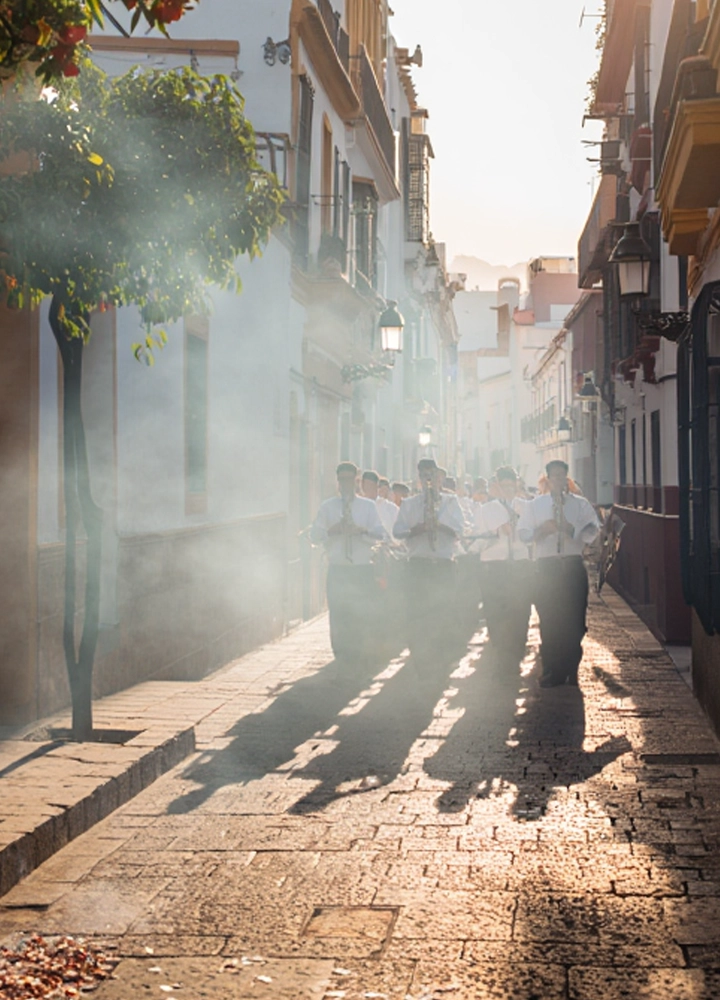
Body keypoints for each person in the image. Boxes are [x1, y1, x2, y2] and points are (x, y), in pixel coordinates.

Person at [517, 459, 600, 687]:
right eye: (554, 476)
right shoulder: (535, 505)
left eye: (562, 476)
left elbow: (593, 530)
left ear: (567, 478)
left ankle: (571, 669)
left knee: (574, 621)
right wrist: (541, 531)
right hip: (547, 568)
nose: (558, 481)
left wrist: (571, 529)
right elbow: (522, 533)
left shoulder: (580, 505)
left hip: (572, 566)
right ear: (547, 479)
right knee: (550, 619)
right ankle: (552, 669)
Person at [310, 462, 385, 660]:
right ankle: (341, 657)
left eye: (349, 480)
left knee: (360, 615)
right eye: (341, 480)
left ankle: (358, 657)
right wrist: (332, 531)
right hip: (338, 570)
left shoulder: (367, 506)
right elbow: (314, 535)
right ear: (337, 482)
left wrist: (361, 531)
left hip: (361, 569)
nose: (345, 484)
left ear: (356, 481)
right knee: (338, 616)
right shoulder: (328, 507)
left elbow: (380, 533)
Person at [393, 458, 465, 654]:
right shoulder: (409, 504)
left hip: (443, 565)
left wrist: (440, 526)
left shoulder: (451, 502)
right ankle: (421, 658)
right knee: (417, 614)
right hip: (418, 566)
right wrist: (417, 529)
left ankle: (441, 660)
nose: (428, 479)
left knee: (443, 611)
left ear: (438, 476)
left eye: (431, 475)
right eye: (424, 476)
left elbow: (461, 529)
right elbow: (397, 532)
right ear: (419, 478)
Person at [477, 466, 532, 668]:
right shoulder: (486, 509)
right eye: (504, 486)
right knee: (495, 611)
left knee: (520, 610)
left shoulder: (525, 506)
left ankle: (517, 651)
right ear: (496, 486)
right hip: (495, 566)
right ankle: (500, 653)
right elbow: (499, 531)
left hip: (519, 564)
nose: (508, 489)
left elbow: (528, 533)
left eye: (512, 485)